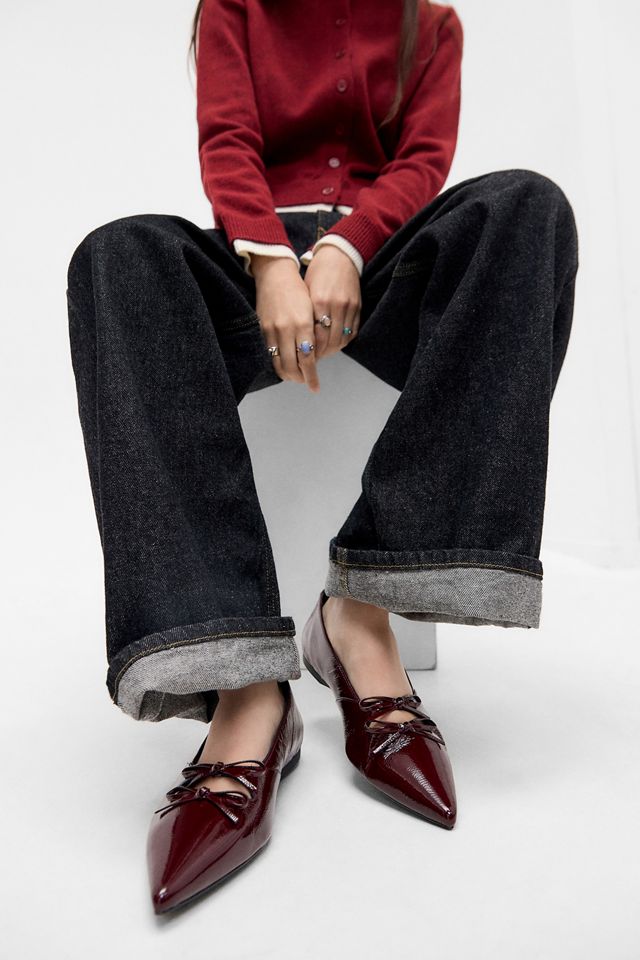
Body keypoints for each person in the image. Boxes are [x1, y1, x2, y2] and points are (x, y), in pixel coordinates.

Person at [65, 0, 578, 915]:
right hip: (253, 273)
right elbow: (228, 141)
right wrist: (272, 261)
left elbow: (422, 161)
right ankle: (244, 682)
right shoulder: (237, 10)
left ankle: (359, 611)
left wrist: (346, 247)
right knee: (116, 256)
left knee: (528, 209)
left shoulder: (431, 24)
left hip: (382, 268)